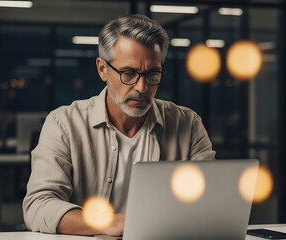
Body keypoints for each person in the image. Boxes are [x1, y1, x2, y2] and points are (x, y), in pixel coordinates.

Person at [23, 14, 216, 236]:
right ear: (102, 69)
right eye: (129, 73)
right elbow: (38, 206)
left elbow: (209, 202)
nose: (142, 87)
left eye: (153, 73)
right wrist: (109, 223)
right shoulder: (64, 124)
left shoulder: (188, 124)